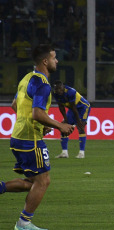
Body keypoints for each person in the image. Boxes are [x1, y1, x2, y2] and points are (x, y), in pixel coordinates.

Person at [0, 44, 74, 230]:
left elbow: (15, 105)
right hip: (30, 140)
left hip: (17, 136)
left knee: (33, 183)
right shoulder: (42, 84)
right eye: (54, 57)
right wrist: (60, 126)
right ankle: (24, 224)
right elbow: (37, 114)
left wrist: (39, 125)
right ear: (45, 61)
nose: (57, 61)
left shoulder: (26, 79)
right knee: (43, 181)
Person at [53, 80, 91, 159]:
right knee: (63, 126)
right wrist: (66, 119)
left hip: (83, 108)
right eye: (56, 89)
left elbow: (74, 107)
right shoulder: (55, 94)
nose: (58, 91)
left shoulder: (70, 92)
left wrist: (78, 121)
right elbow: (61, 107)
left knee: (80, 127)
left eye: (60, 89)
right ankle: (64, 153)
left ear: (63, 87)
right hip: (72, 109)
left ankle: (81, 153)